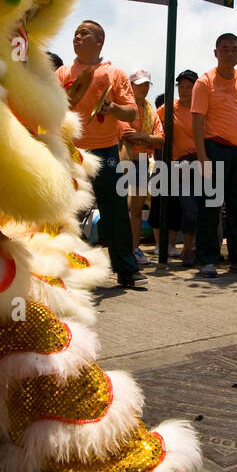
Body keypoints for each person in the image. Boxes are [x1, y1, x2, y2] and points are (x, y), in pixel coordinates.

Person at [55, 20, 146, 289]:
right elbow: (51, 108)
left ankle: (126, 269)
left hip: (106, 149)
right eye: (75, 34)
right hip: (72, 149)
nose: (77, 37)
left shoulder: (113, 73)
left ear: (99, 42)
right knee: (70, 211)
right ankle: (71, 269)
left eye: (84, 34)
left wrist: (113, 109)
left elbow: (131, 112)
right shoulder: (61, 73)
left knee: (115, 211)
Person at [191, 33, 237, 277]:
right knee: (211, 206)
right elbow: (197, 120)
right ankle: (207, 259)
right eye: (225, 49)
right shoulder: (204, 82)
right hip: (214, 149)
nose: (229, 53)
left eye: (234, 49)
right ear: (216, 52)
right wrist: (202, 156)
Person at [118, 67, 163, 267]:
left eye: (146, 84)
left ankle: (134, 248)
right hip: (122, 160)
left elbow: (160, 138)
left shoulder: (151, 111)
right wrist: (146, 139)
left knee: (136, 209)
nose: (144, 88)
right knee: (119, 208)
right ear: (130, 85)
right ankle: (120, 249)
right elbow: (122, 132)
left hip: (142, 162)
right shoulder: (123, 107)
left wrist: (143, 138)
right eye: (140, 84)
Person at [154, 69, 199, 263]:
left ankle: (196, 249)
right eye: (181, 86)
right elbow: (152, 122)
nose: (185, 90)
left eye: (189, 87)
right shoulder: (168, 107)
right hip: (179, 165)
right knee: (189, 208)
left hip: (203, 162)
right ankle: (188, 248)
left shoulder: (203, 106)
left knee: (208, 208)